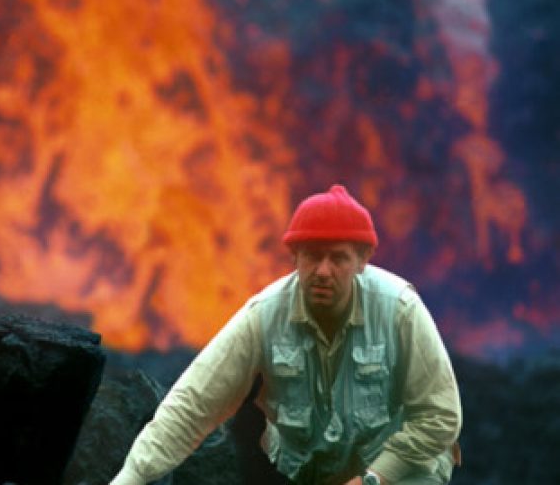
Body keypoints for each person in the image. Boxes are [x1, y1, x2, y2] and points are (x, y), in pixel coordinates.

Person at [110, 184, 462, 485]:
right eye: (312, 256)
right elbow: (191, 406)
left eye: (338, 258)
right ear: (294, 257)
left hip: (398, 471)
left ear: (363, 259)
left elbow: (441, 417)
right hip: (311, 471)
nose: (323, 271)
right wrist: (128, 480)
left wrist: (372, 479)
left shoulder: (400, 309)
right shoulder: (263, 316)